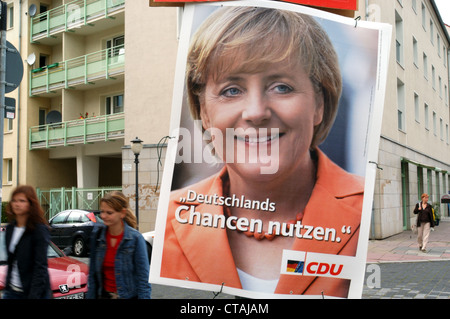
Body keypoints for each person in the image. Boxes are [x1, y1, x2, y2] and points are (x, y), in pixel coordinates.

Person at [160, 6, 364, 298]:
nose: (256, 112)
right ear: (204, 112)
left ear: (319, 104)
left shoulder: (364, 215)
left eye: (281, 87)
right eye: (231, 90)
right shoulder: (168, 221)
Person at [87, 191, 151, 299]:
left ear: (122, 213)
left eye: (109, 213)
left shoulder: (135, 239)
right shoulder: (97, 237)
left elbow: (143, 280)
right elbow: (92, 276)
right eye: (102, 211)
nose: (103, 216)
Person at [3, 185, 51, 299]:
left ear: (31, 204)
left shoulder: (39, 230)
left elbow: (40, 267)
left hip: (31, 293)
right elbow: (11, 262)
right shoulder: (10, 228)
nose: (17, 204)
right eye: (14, 200)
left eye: (22, 201)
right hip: (11, 291)